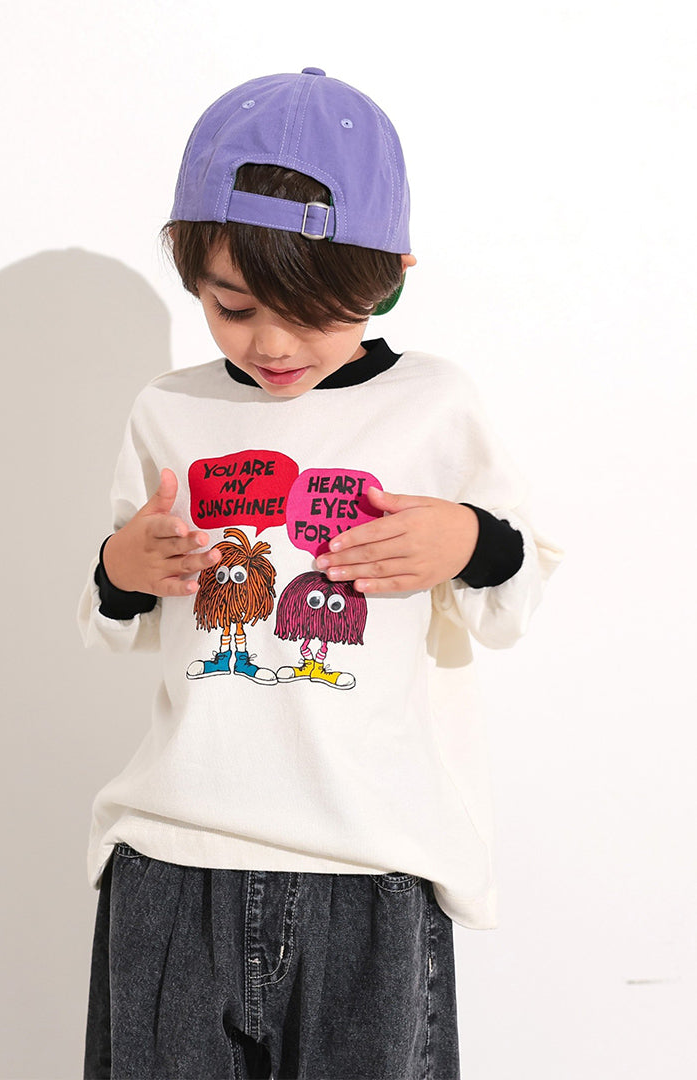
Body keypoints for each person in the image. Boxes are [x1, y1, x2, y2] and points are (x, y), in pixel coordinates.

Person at [79, 67, 561, 1080]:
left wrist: (467, 539)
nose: (272, 343)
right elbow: (112, 612)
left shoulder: (434, 403)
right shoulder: (169, 409)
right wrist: (124, 565)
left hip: (370, 862)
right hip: (175, 857)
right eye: (233, 306)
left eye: (312, 310)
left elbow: (518, 589)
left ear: (390, 276)